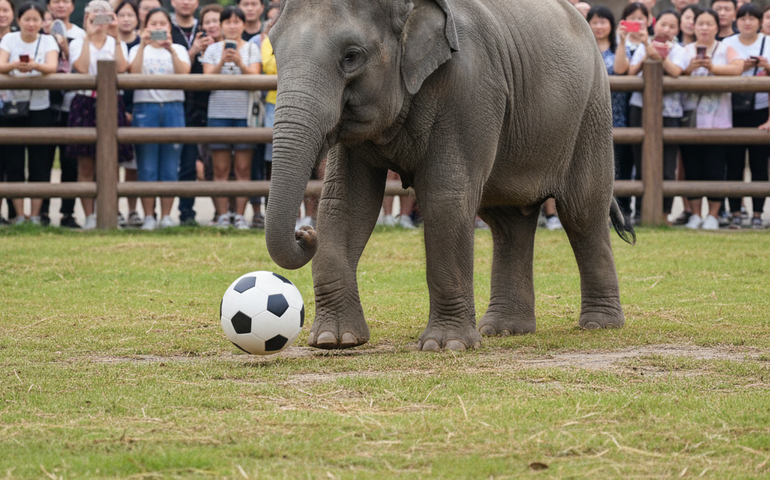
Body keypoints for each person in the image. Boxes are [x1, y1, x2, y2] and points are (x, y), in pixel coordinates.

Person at [67, 0, 131, 230]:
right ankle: (89, 215)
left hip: (112, 102)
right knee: (86, 165)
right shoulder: (77, 42)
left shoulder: (117, 42)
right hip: (85, 101)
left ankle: (111, 211)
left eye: (105, 15)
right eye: (95, 15)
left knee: (112, 163)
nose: (100, 19)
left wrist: (114, 37)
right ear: (86, 17)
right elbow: (82, 68)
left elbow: (122, 68)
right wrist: (88, 35)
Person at [128, 7, 190, 230]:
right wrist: (143, 46)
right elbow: (132, 73)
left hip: (174, 107)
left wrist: (171, 49)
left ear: (169, 26)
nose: (158, 28)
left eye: (162, 24)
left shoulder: (179, 49)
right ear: (145, 27)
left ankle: (165, 216)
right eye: (153, 24)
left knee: (170, 166)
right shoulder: (136, 48)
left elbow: (184, 74)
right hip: (146, 107)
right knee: (146, 165)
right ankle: (148, 216)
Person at [680, 8, 742, 230]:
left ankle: (713, 215)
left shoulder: (726, 48)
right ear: (693, 26)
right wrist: (690, 69)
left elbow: (738, 68)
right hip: (691, 119)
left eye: (709, 24)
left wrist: (712, 67)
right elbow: (675, 72)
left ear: (717, 26)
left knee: (716, 168)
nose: (704, 28)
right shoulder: (685, 50)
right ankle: (695, 214)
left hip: (718, 119)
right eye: (700, 23)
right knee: (693, 167)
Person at [202, 6, 261, 229]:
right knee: (220, 169)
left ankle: (239, 215)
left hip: (245, 114)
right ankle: (222, 214)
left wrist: (239, 63)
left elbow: (255, 77)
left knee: (243, 168)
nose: (232, 26)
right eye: (228, 22)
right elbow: (206, 79)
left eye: (237, 22)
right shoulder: (212, 49)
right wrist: (221, 63)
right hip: (218, 113)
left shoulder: (251, 49)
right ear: (222, 25)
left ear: (243, 25)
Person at [0, 2, 60, 225]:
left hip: (39, 108)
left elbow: (52, 66)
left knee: (40, 163)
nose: (32, 24)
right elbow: (0, 64)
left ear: (42, 21)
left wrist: (34, 66)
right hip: (14, 107)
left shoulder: (48, 40)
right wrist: (16, 65)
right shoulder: (9, 39)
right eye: (27, 19)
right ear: (19, 20)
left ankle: (35, 215)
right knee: (14, 163)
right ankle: (18, 214)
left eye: (36, 19)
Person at [628, 10, 689, 223]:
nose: (666, 29)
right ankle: (640, 212)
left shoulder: (680, 50)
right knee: (641, 161)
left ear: (678, 30)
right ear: (656, 24)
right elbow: (630, 72)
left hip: (670, 113)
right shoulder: (643, 45)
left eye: (672, 26)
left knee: (668, 165)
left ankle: (664, 213)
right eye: (663, 24)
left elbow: (675, 72)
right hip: (640, 108)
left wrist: (660, 56)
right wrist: (647, 49)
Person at [722, 3, 769, 229]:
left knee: (760, 163)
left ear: (760, 21)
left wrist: (766, 67)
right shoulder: (727, 43)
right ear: (736, 20)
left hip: (762, 109)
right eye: (743, 18)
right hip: (732, 108)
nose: (747, 22)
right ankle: (735, 212)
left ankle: (758, 212)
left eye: (752, 18)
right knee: (734, 162)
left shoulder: (768, 42)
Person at [46, 0, 85, 228]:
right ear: (49, 6)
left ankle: (67, 213)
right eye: (55, 1)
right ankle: (40, 212)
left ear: (72, 6)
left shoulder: (80, 34)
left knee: (71, 163)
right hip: (44, 104)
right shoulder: (40, 33)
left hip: (72, 104)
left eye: (65, 1)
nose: (61, 5)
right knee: (43, 160)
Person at [615, 2, 650, 218]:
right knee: (622, 160)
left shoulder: (657, 41)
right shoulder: (618, 42)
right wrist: (620, 40)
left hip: (644, 107)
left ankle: (644, 210)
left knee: (644, 160)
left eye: (641, 18)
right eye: (632, 18)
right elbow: (620, 70)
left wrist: (648, 43)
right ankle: (622, 209)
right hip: (619, 108)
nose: (636, 22)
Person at [170, 0, 202, 226]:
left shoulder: (207, 27)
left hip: (203, 103)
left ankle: (187, 212)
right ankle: (161, 215)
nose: (185, 2)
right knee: (174, 162)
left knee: (194, 163)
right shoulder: (165, 28)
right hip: (174, 101)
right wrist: (192, 52)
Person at [0, 0, 17, 224]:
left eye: (5, 10)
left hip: (14, 108)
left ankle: (14, 213)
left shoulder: (18, 39)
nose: (1, 15)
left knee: (13, 161)